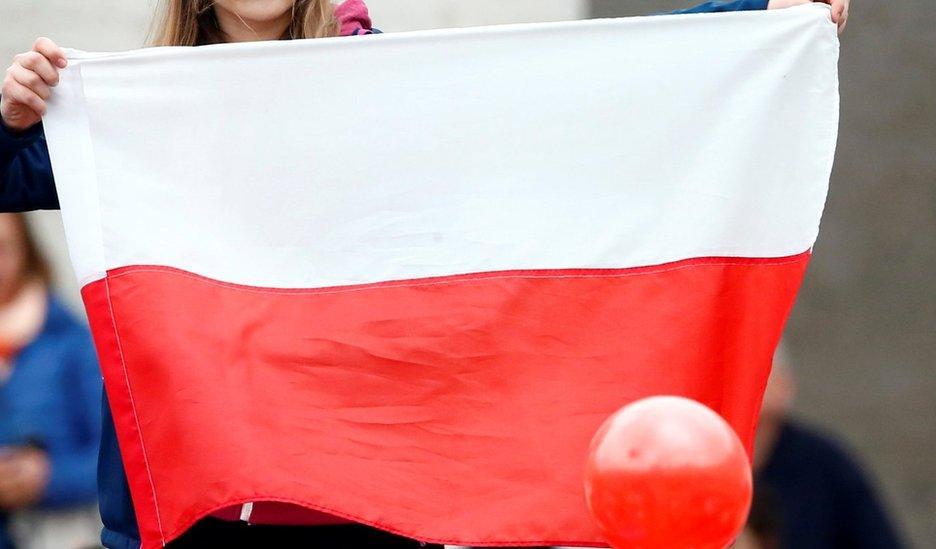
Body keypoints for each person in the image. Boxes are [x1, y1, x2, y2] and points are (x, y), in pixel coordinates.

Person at [0, 1, 851, 547]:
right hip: (189, 515)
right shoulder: (134, 114)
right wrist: (12, 119)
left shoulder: (382, 90)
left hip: (356, 507)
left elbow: (576, 89)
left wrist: (754, 17)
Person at [0, 213, 102, 549]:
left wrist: (48, 478)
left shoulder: (72, 343)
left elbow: (113, 461)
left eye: (2, 248)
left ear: (26, 251)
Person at [752, 344, 906, 548]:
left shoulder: (824, 463)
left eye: (762, 373)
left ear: (786, 385)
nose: (749, 387)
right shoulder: (700, 458)